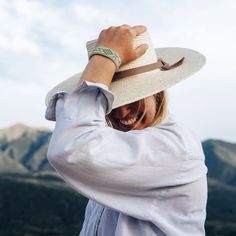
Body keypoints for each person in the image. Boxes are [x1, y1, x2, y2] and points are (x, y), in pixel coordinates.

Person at [45, 25, 208, 236]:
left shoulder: (174, 147)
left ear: (157, 92)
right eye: (110, 101)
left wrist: (105, 58)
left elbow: (69, 149)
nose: (121, 112)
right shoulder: (120, 147)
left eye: (133, 97)